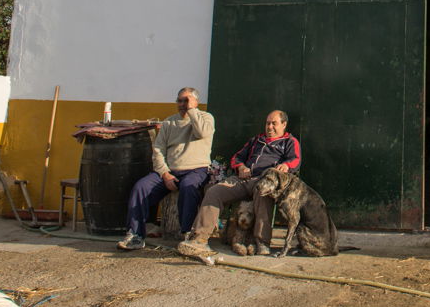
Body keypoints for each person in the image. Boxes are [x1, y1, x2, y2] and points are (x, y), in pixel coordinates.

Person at [177, 109, 301, 258]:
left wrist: (286, 166)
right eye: (268, 123)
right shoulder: (256, 140)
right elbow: (236, 158)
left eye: (274, 124)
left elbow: (295, 160)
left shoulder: (289, 142)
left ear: (284, 124)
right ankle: (199, 239)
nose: (269, 127)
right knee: (214, 192)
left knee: (263, 194)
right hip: (243, 179)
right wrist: (241, 167)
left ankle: (261, 243)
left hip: (264, 181)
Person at [118, 87, 215, 250]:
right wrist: (164, 173)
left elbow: (202, 133)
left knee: (189, 187)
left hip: (196, 169)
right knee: (140, 187)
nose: (183, 104)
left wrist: (192, 111)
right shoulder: (169, 122)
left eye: (187, 100)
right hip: (170, 171)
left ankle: (188, 236)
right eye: (180, 100)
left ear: (196, 102)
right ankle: (135, 235)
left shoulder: (206, 118)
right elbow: (158, 150)